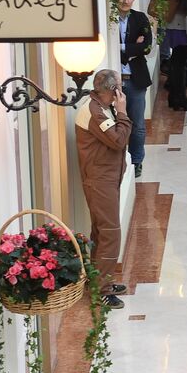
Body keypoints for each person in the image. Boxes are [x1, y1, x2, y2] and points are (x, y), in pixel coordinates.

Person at [74, 69, 133, 309]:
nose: (122, 92)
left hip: (106, 179)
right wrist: (123, 112)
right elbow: (119, 140)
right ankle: (102, 290)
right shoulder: (95, 112)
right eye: (119, 87)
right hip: (100, 181)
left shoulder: (100, 108)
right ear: (112, 90)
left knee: (101, 231)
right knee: (110, 232)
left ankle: (100, 279)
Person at [114, 0, 152, 177]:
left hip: (135, 79)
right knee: (115, 124)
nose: (126, 1)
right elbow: (108, 47)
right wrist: (130, 48)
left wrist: (120, 48)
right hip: (115, 81)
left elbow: (146, 47)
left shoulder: (140, 18)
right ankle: (119, 162)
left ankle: (137, 161)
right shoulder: (110, 19)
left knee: (137, 124)